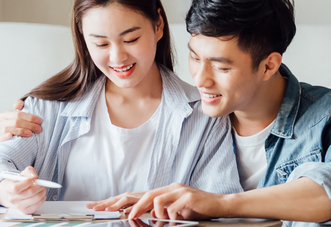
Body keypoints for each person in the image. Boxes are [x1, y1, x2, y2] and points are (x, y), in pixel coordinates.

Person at [0, 0, 243, 214]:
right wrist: (7, 191)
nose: (118, 57)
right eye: (101, 44)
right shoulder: (48, 106)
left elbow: (220, 202)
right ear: (84, 39)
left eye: (130, 39)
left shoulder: (205, 113)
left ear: (158, 25)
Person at [126, 0, 331, 224]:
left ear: (269, 66)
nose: (201, 79)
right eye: (195, 58)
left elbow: (326, 191)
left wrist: (220, 204)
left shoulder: (324, 116)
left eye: (221, 67)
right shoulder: (191, 119)